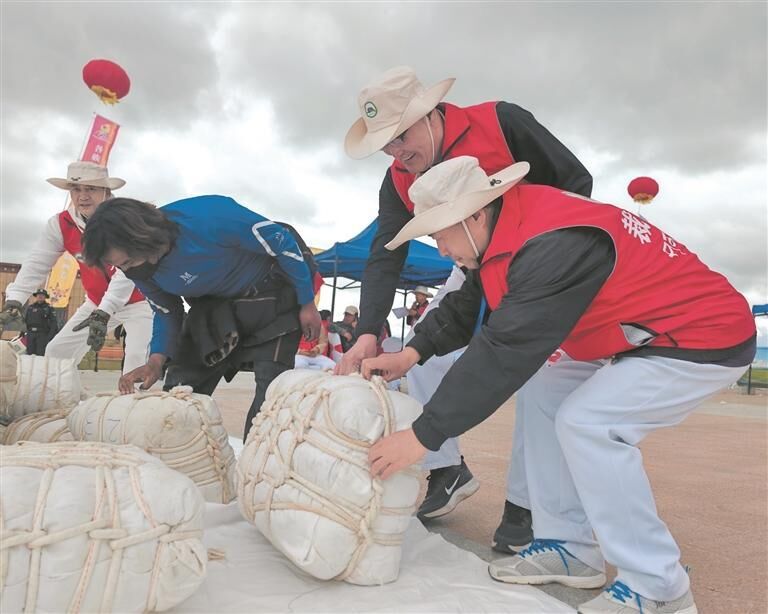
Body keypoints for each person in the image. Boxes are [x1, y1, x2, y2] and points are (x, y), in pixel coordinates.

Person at [362, 156, 755, 614]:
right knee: (547, 387)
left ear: (472, 215)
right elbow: (471, 300)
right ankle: (570, 548)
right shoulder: (505, 227)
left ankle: (658, 584)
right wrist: (412, 353)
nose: (441, 249)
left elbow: (502, 352)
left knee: (591, 422)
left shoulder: (552, 242)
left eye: (439, 234)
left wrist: (423, 436)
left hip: (701, 334)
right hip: (638, 331)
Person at [340, 65, 593, 544]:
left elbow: (575, 181)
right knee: (413, 359)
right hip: (473, 264)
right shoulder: (397, 179)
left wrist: (545, 253)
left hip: (545, 257)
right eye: (386, 144)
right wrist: (369, 329)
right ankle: (447, 469)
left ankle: (525, 508)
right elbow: (384, 254)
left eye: (401, 136)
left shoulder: (501, 121)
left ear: (431, 114)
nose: (397, 152)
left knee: (537, 380)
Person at [81, 195, 322, 440]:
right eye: (120, 266)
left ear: (142, 239)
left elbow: (282, 243)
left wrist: (306, 302)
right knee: (178, 391)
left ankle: (257, 461)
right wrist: (155, 361)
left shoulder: (210, 217)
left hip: (274, 295)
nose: (128, 271)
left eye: (128, 262)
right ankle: (178, 452)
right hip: (215, 307)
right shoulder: (139, 269)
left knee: (270, 396)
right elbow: (166, 310)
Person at [0, 162, 152, 372]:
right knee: (57, 353)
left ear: (106, 191)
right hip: (96, 303)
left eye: (91, 189)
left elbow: (127, 273)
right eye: (76, 189)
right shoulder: (61, 224)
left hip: (140, 301)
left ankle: (139, 403)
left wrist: (105, 311)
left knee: (136, 361)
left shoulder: (126, 218)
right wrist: (15, 298)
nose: (82, 196)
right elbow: (37, 262)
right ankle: (68, 402)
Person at [23, 289, 58, 355]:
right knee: (29, 354)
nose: (40, 296)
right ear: (36, 296)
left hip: (42, 335)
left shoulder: (49, 308)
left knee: (40, 354)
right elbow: (25, 320)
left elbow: (54, 323)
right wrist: (22, 331)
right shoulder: (30, 308)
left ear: (45, 297)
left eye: (42, 295)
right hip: (30, 334)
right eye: (38, 295)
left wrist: (50, 336)